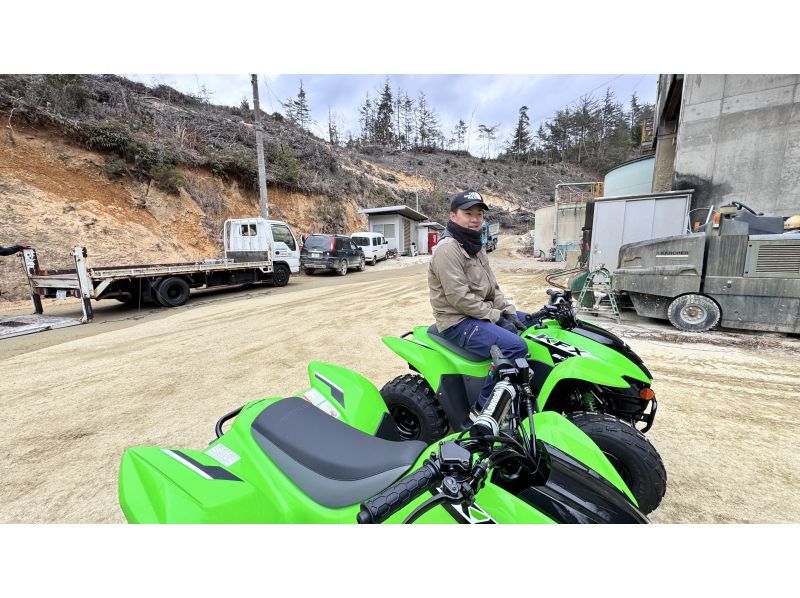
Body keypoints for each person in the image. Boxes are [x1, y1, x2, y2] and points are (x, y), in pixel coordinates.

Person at [428, 189, 529, 409]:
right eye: (468, 213)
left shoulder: (475, 246)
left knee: (532, 324)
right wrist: (495, 316)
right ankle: (485, 408)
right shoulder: (448, 249)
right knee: (516, 346)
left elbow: (493, 288)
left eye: (479, 214)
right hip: (458, 321)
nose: (475, 219)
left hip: (480, 312)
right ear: (453, 216)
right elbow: (459, 298)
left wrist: (508, 310)